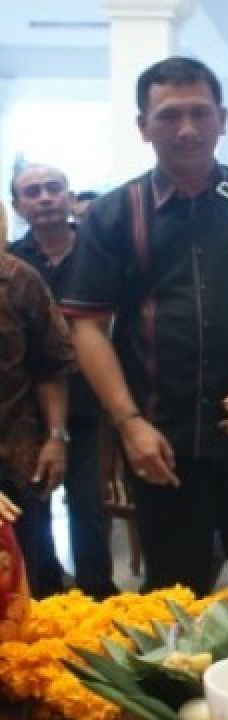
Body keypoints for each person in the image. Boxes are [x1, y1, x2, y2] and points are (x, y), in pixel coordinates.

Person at [61, 57, 228, 594]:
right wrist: (129, 423)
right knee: (173, 599)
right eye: (169, 116)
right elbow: (87, 326)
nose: (187, 129)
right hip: (162, 444)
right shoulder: (115, 214)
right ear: (143, 126)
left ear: (222, 119)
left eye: (200, 113)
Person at [9, 164, 117, 598]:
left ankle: (96, 596)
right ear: (18, 206)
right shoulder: (13, 265)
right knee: (33, 510)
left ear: (70, 197)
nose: (44, 198)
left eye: (54, 188)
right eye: (32, 192)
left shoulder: (100, 254)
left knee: (89, 505)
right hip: (27, 411)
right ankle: (47, 596)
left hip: (92, 401)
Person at [0, 203, 73, 598]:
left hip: (17, 458)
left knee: (31, 579)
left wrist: (56, 437)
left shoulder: (20, 281)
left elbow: (51, 366)